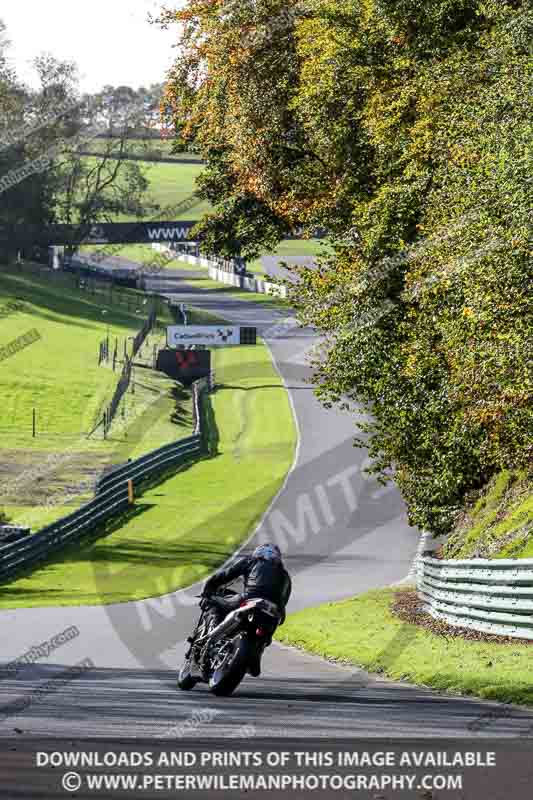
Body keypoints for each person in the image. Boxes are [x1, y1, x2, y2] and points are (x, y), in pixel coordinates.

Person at [199, 543, 292, 676]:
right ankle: (256, 655)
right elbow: (284, 602)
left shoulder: (252, 561)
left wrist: (207, 591)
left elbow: (225, 575)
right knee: (267, 635)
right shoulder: (286, 576)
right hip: (274, 612)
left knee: (216, 602)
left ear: (259, 553)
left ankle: (212, 637)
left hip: (250, 600)